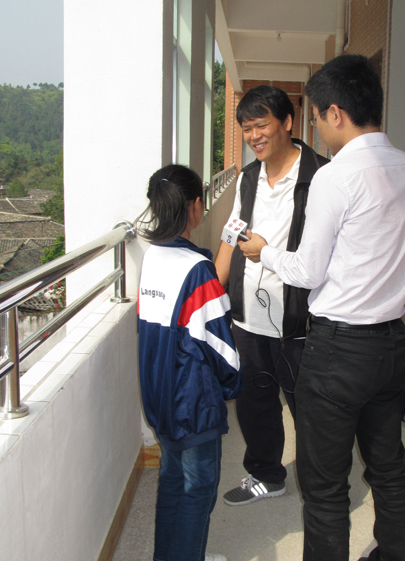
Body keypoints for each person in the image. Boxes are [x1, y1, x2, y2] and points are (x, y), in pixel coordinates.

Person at [239, 55, 405, 561]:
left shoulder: (336, 176)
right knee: (388, 466)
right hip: (393, 341)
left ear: (336, 113)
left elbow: (307, 271)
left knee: (324, 486)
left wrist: (265, 253)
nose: (319, 131)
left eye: (318, 118)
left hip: (338, 349)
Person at [215, 85, 329, 506]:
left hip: (302, 321)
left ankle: (323, 488)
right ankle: (267, 475)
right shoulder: (248, 179)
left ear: (288, 122)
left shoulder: (322, 177)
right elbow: (230, 237)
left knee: (313, 411)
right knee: (255, 404)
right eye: (247, 129)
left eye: (261, 125)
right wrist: (210, 294)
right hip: (249, 319)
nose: (254, 136)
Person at [137, 164, 244, 561]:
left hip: (161, 397)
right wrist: (231, 386)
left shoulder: (153, 258)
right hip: (194, 403)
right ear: (196, 206)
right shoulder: (196, 270)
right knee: (198, 488)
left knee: (172, 481)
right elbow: (220, 347)